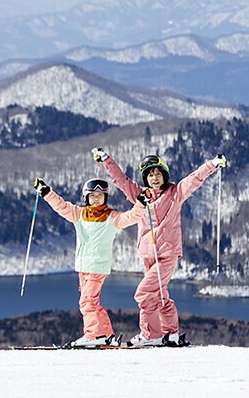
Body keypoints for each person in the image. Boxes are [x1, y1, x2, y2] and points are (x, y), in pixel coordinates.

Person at [92, 148, 227, 347]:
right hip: (147, 253)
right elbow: (121, 181)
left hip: (167, 254)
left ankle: (151, 335)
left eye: (157, 173)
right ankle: (171, 333)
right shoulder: (140, 195)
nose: (154, 177)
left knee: (144, 294)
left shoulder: (175, 194)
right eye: (149, 174)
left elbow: (194, 179)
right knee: (160, 296)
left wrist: (213, 164)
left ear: (164, 175)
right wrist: (106, 160)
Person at [33, 177, 146, 348]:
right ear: (86, 197)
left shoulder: (111, 217)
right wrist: (46, 192)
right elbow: (61, 206)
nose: (96, 199)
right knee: (93, 303)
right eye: (92, 196)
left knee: (86, 302)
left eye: (100, 196)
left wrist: (141, 204)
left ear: (105, 197)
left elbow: (131, 217)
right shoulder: (79, 214)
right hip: (83, 267)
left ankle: (93, 335)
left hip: (98, 266)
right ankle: (106, 335)